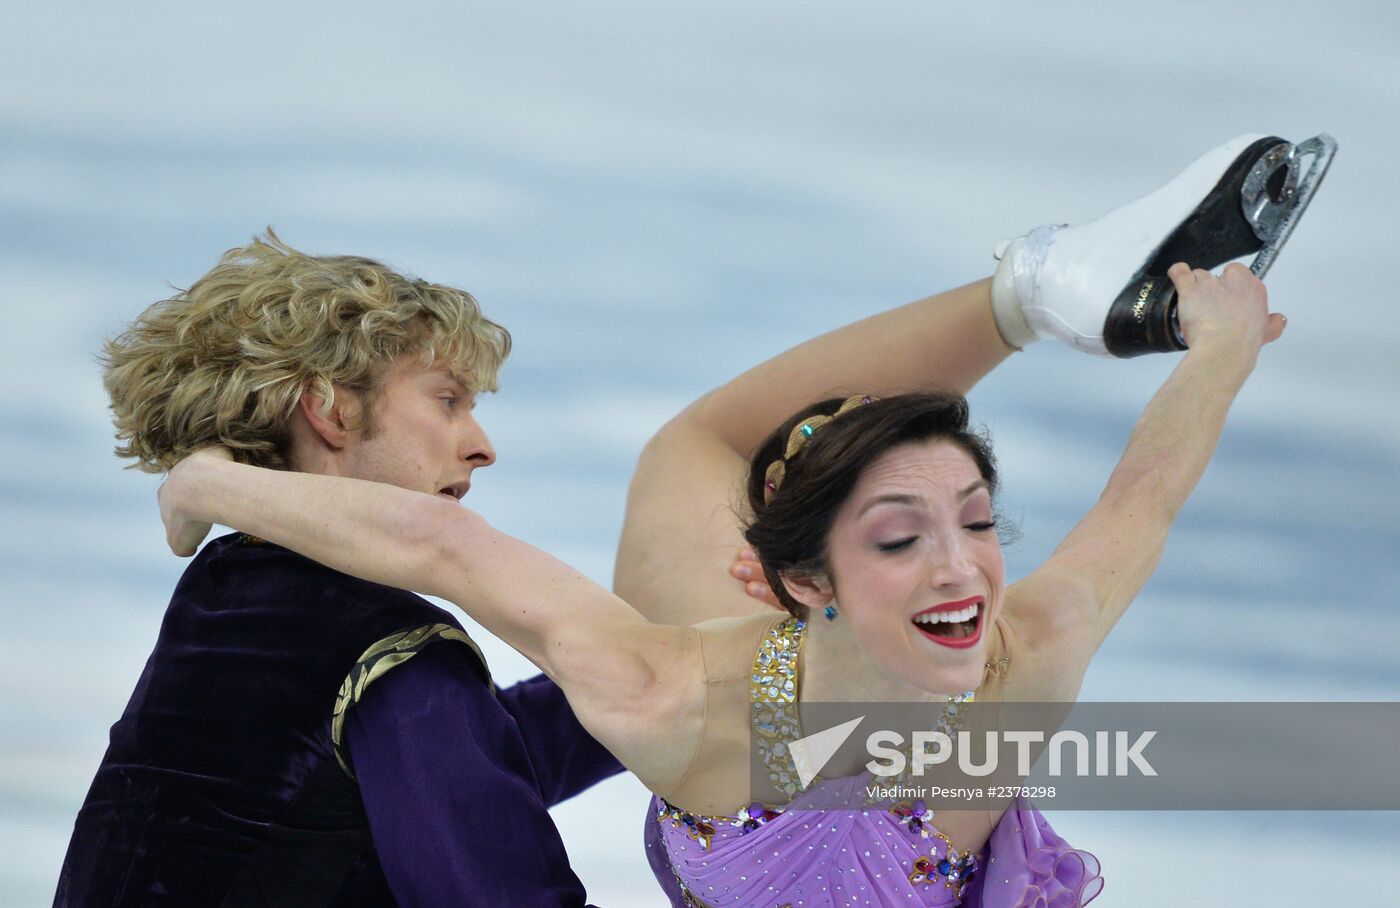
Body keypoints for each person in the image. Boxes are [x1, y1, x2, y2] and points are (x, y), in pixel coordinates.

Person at [152, 135, 1309, 905]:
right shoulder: (681, 685)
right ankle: (1036, 287)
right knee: (697, 455)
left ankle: (1040, 289)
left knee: (695, 450)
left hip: (761, 694)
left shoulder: (1013, 652)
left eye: (976, 519)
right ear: (800, 581)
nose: (963, 566)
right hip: (760, 687)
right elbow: (442, 553)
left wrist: (1215, 353)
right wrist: (204, 484)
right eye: (901, 537)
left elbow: (1143, 497)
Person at [56, 238, 636, 906]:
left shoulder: (228, 585)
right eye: (447, 400)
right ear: (329, 409)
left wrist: (709, 689)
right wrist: (774, 718)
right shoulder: (385, 645)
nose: (482, 447)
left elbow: (465, 759)